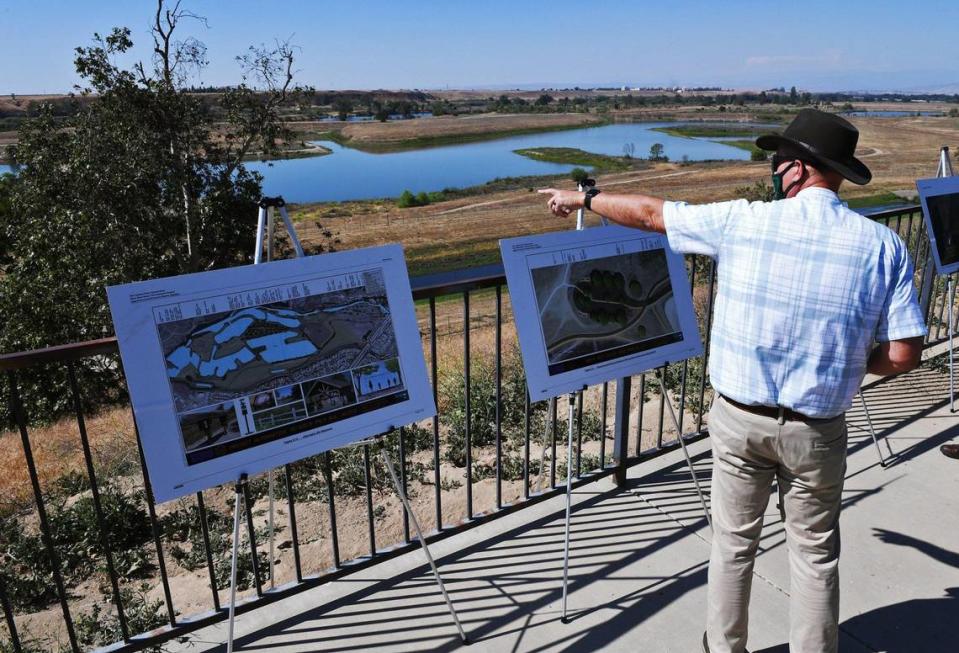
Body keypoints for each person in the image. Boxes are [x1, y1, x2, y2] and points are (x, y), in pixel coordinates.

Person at [538, 109, 927, 653]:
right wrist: (845, 365)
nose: (772, 170)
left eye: (777, 160)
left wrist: (584, 199)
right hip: (818, 429)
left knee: (732, 545)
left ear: (795, 169)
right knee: (815, 555)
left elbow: (652, 215)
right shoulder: (882, 245)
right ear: (836, 172)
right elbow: (906, 350)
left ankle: (724, 648)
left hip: (740, 422)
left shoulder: (745, 221)